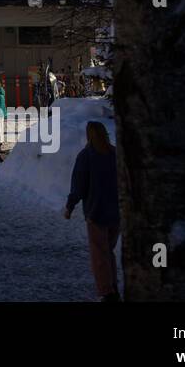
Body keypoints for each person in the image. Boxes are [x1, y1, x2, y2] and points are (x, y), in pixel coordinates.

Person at [64, 121, 121, 302]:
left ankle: (107, 291)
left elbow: (79, 186)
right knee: (109, 250)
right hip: (116, 211)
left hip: (96, 211)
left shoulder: (86, 156)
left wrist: (70, 206)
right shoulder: (115, 154)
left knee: (99, 253)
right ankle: (113, 286)